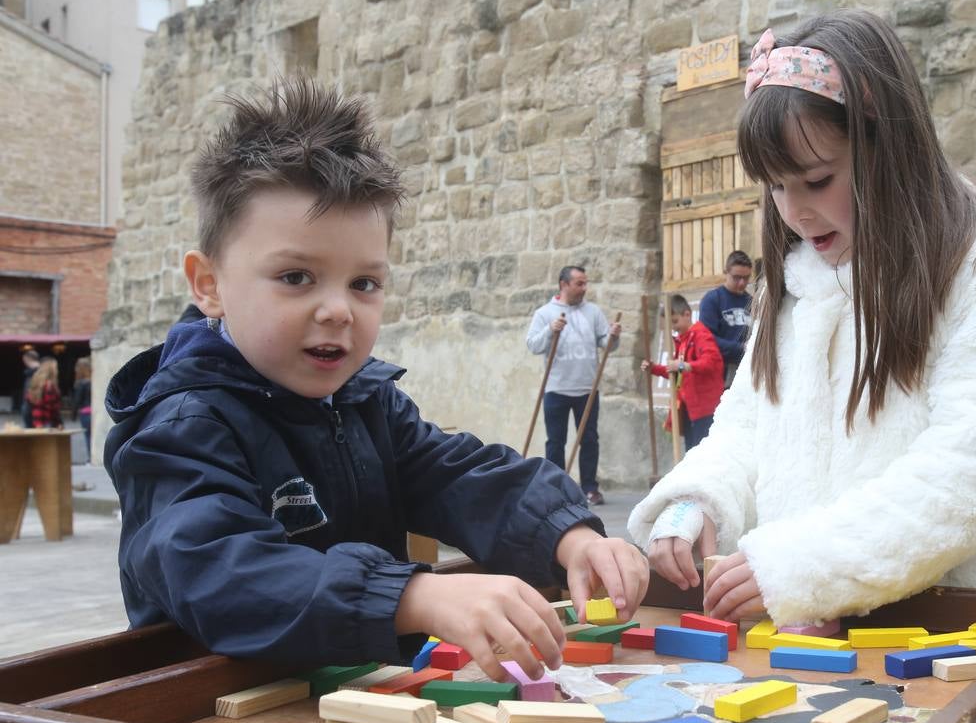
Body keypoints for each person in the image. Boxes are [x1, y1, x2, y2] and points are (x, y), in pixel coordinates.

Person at [629, 12, 976, 723]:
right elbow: (748, 426)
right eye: (775, 187)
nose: (794, 210)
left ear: (886, 144)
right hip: (811, 651)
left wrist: (796, 565)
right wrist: (698, 505)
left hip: (948, 662)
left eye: (817, 178)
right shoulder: (796, 285)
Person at [103, 79, 648, 680]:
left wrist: (567, 536)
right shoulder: (180, 426)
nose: (338, 309)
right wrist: (414, 597)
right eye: (295, 277)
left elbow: (458, 475)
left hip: (352, 704)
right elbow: (217, 570)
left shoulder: (365, 400)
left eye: (364, 283)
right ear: (208, 284)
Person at [525, 265, 621, 505]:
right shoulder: (545, 313)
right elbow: (533, 345)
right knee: (555, 441)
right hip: (556, 387)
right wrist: (550, 330)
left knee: (589, 439)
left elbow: (606, 344)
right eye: (579, 283)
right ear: (563, 284)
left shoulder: (593, 312)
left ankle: (590, 488)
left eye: (585, 282)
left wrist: (613, 336)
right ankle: (556, 487)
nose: (584, 288)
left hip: (587, 388)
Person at [641, 294, 724, 451]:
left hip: (705, 410)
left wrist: (684, 366)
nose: (673, 327)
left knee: (701, 454)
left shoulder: (701, 334)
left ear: (687, 314)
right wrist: (654, 368)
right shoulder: (683, 340)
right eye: (670, 324)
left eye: (675, 321)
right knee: (691, 452)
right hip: (689, 408)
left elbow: (711, 362)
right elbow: (677, 375)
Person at [699, 250, 753, 388]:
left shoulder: (753, 302)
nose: (742, 283)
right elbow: (706, 339)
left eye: (746, 278)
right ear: (726, 272)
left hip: (748, 368)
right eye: (736, 277)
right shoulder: (712, 300)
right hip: (719, 372)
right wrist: (741, 347)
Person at [26, 357, 62, 429]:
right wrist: (59, 423)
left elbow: (28, 400)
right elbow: (52, 407)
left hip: (35, 419)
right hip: (47, 421)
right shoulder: (49, 386)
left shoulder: (34, 382)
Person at [72, 356, 92, 459]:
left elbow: (77, 400)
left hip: (85, 412)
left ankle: (90, 457)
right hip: (94, 412)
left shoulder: (81, 383)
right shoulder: (94, 381)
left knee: (88, 436)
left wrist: (73, 414)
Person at [17, 349, 39, 427]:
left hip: (33, 406)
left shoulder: (37, 373)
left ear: (28, 359)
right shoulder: (31, 373)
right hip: (30, 405)